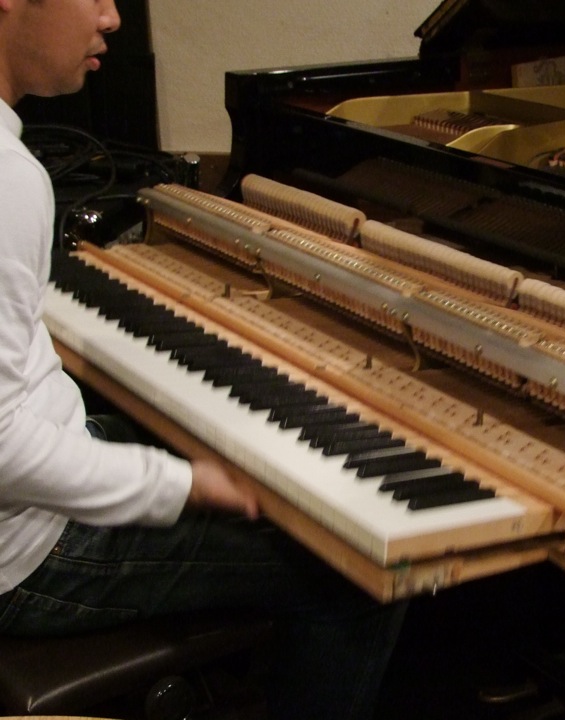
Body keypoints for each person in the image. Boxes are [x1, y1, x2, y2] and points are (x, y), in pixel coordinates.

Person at [0, 1, 406, 717]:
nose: (112, 16)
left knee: (235, 459)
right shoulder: (8, 180)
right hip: (29, 557)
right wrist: (186, 483)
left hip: (30, 495)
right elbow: (5, 448)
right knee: (364, 572)